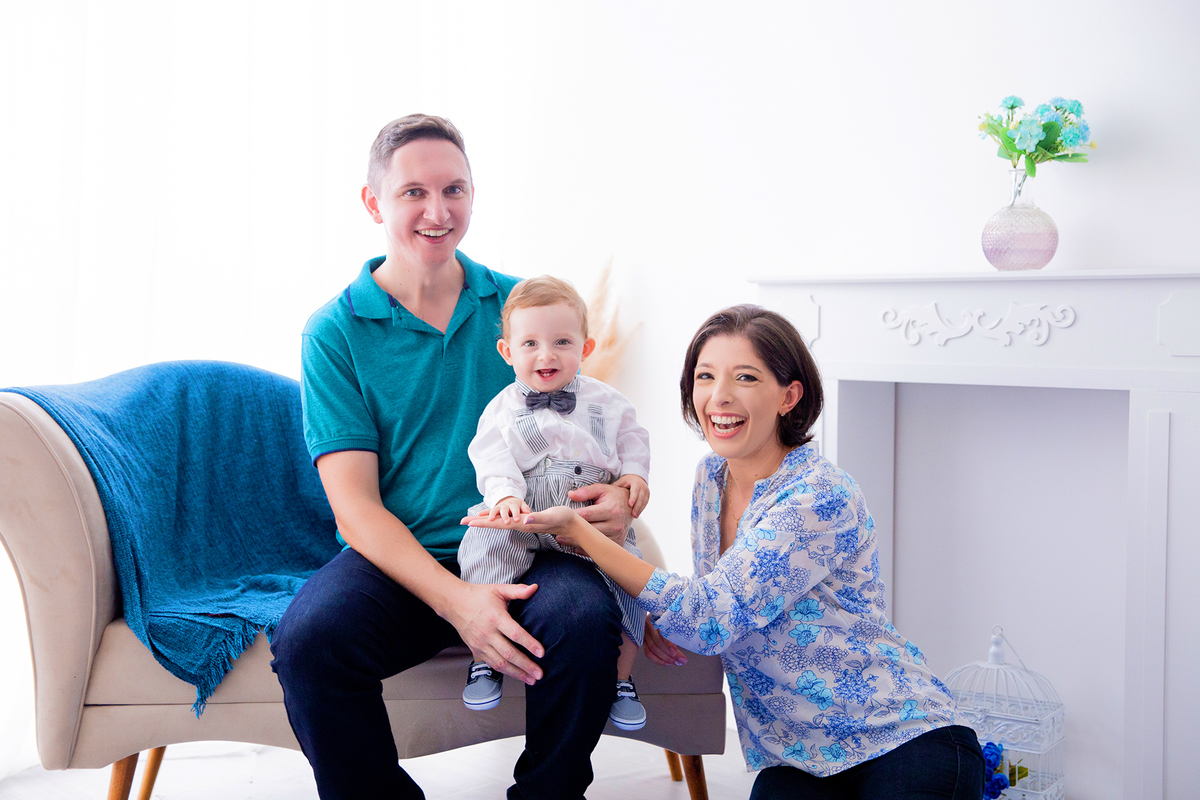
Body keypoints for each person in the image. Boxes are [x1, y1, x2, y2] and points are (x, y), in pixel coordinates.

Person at [466, 305, 986, 799]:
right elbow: (721, 597)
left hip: (900, 737)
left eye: (746, 378)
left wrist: (582, 534)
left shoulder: (818, 495)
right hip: (795, 758)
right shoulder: (711, 478)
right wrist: (653, 613)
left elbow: (711, 618)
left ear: (789, 396)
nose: (719, 397)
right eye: (705, 376)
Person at [270, 114, 635, 800]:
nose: (438, 212)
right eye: (413, 192)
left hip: (531, 547)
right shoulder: (334, 333)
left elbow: (594, 431)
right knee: (309, 641)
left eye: (454, 190)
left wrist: (619, 494)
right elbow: (356, 509)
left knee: (585, 623)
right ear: (373, 203)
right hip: (403, 560)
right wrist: (462, 603)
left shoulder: (524, 311)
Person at [458, 275, 651, 731]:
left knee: (629, 579)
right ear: (507, 352)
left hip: (587, 512)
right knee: (483, 548)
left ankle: (621, 680)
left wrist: (634, 475)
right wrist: (505, 495)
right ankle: (484, 657)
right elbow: (490, 456)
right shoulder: (501, 409)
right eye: (531, 344)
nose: (546, 355)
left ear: (586, 348)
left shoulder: (609, 402)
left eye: (562, 342)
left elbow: (633, 438)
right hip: (523, 508)